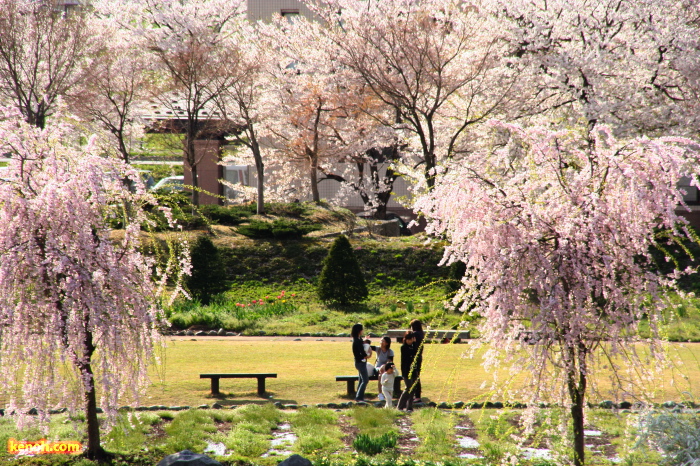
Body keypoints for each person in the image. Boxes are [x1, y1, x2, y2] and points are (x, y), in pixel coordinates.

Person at [397, 331, 418, 411]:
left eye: (410, 339)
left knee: (413, 388)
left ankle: (409, 407)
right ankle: (400, 406)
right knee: (408, 388)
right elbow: (410, 354)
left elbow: (417, 354)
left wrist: (415, 344)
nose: (409, 341)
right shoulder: (404, 347)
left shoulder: (413, 346)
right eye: (408, 339)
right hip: (406, 371)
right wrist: (414, 345)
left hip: (413, 370)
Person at [372, 336, 394, 401]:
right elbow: (369, 347)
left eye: (383, 341)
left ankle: (388, 392)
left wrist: (384, 366)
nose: (381, 342)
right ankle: (380, 393)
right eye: (381, 341)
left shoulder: (390, 351)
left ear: (387, 343)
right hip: (378, 368)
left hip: (386, 368)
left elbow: (390, 362)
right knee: (381, 375)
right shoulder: (378, 349)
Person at [351, 323, 369, 402]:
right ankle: (359, 397)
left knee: (361, 380)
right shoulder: (357, 341)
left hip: (359, 362)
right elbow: (361, 351)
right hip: (360, 362)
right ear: (359, 330)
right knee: (365, 380)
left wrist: (365, 340)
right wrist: (366, 356)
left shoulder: (357, 339)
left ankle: (359, 396)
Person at [410, 319, 425, 402]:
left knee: (414, 376)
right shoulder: (421, 334)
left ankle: (417, 395)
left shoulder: (415, 334)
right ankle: (417, 395)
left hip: (414, 357)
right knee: (417, 375)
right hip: (419, 356)